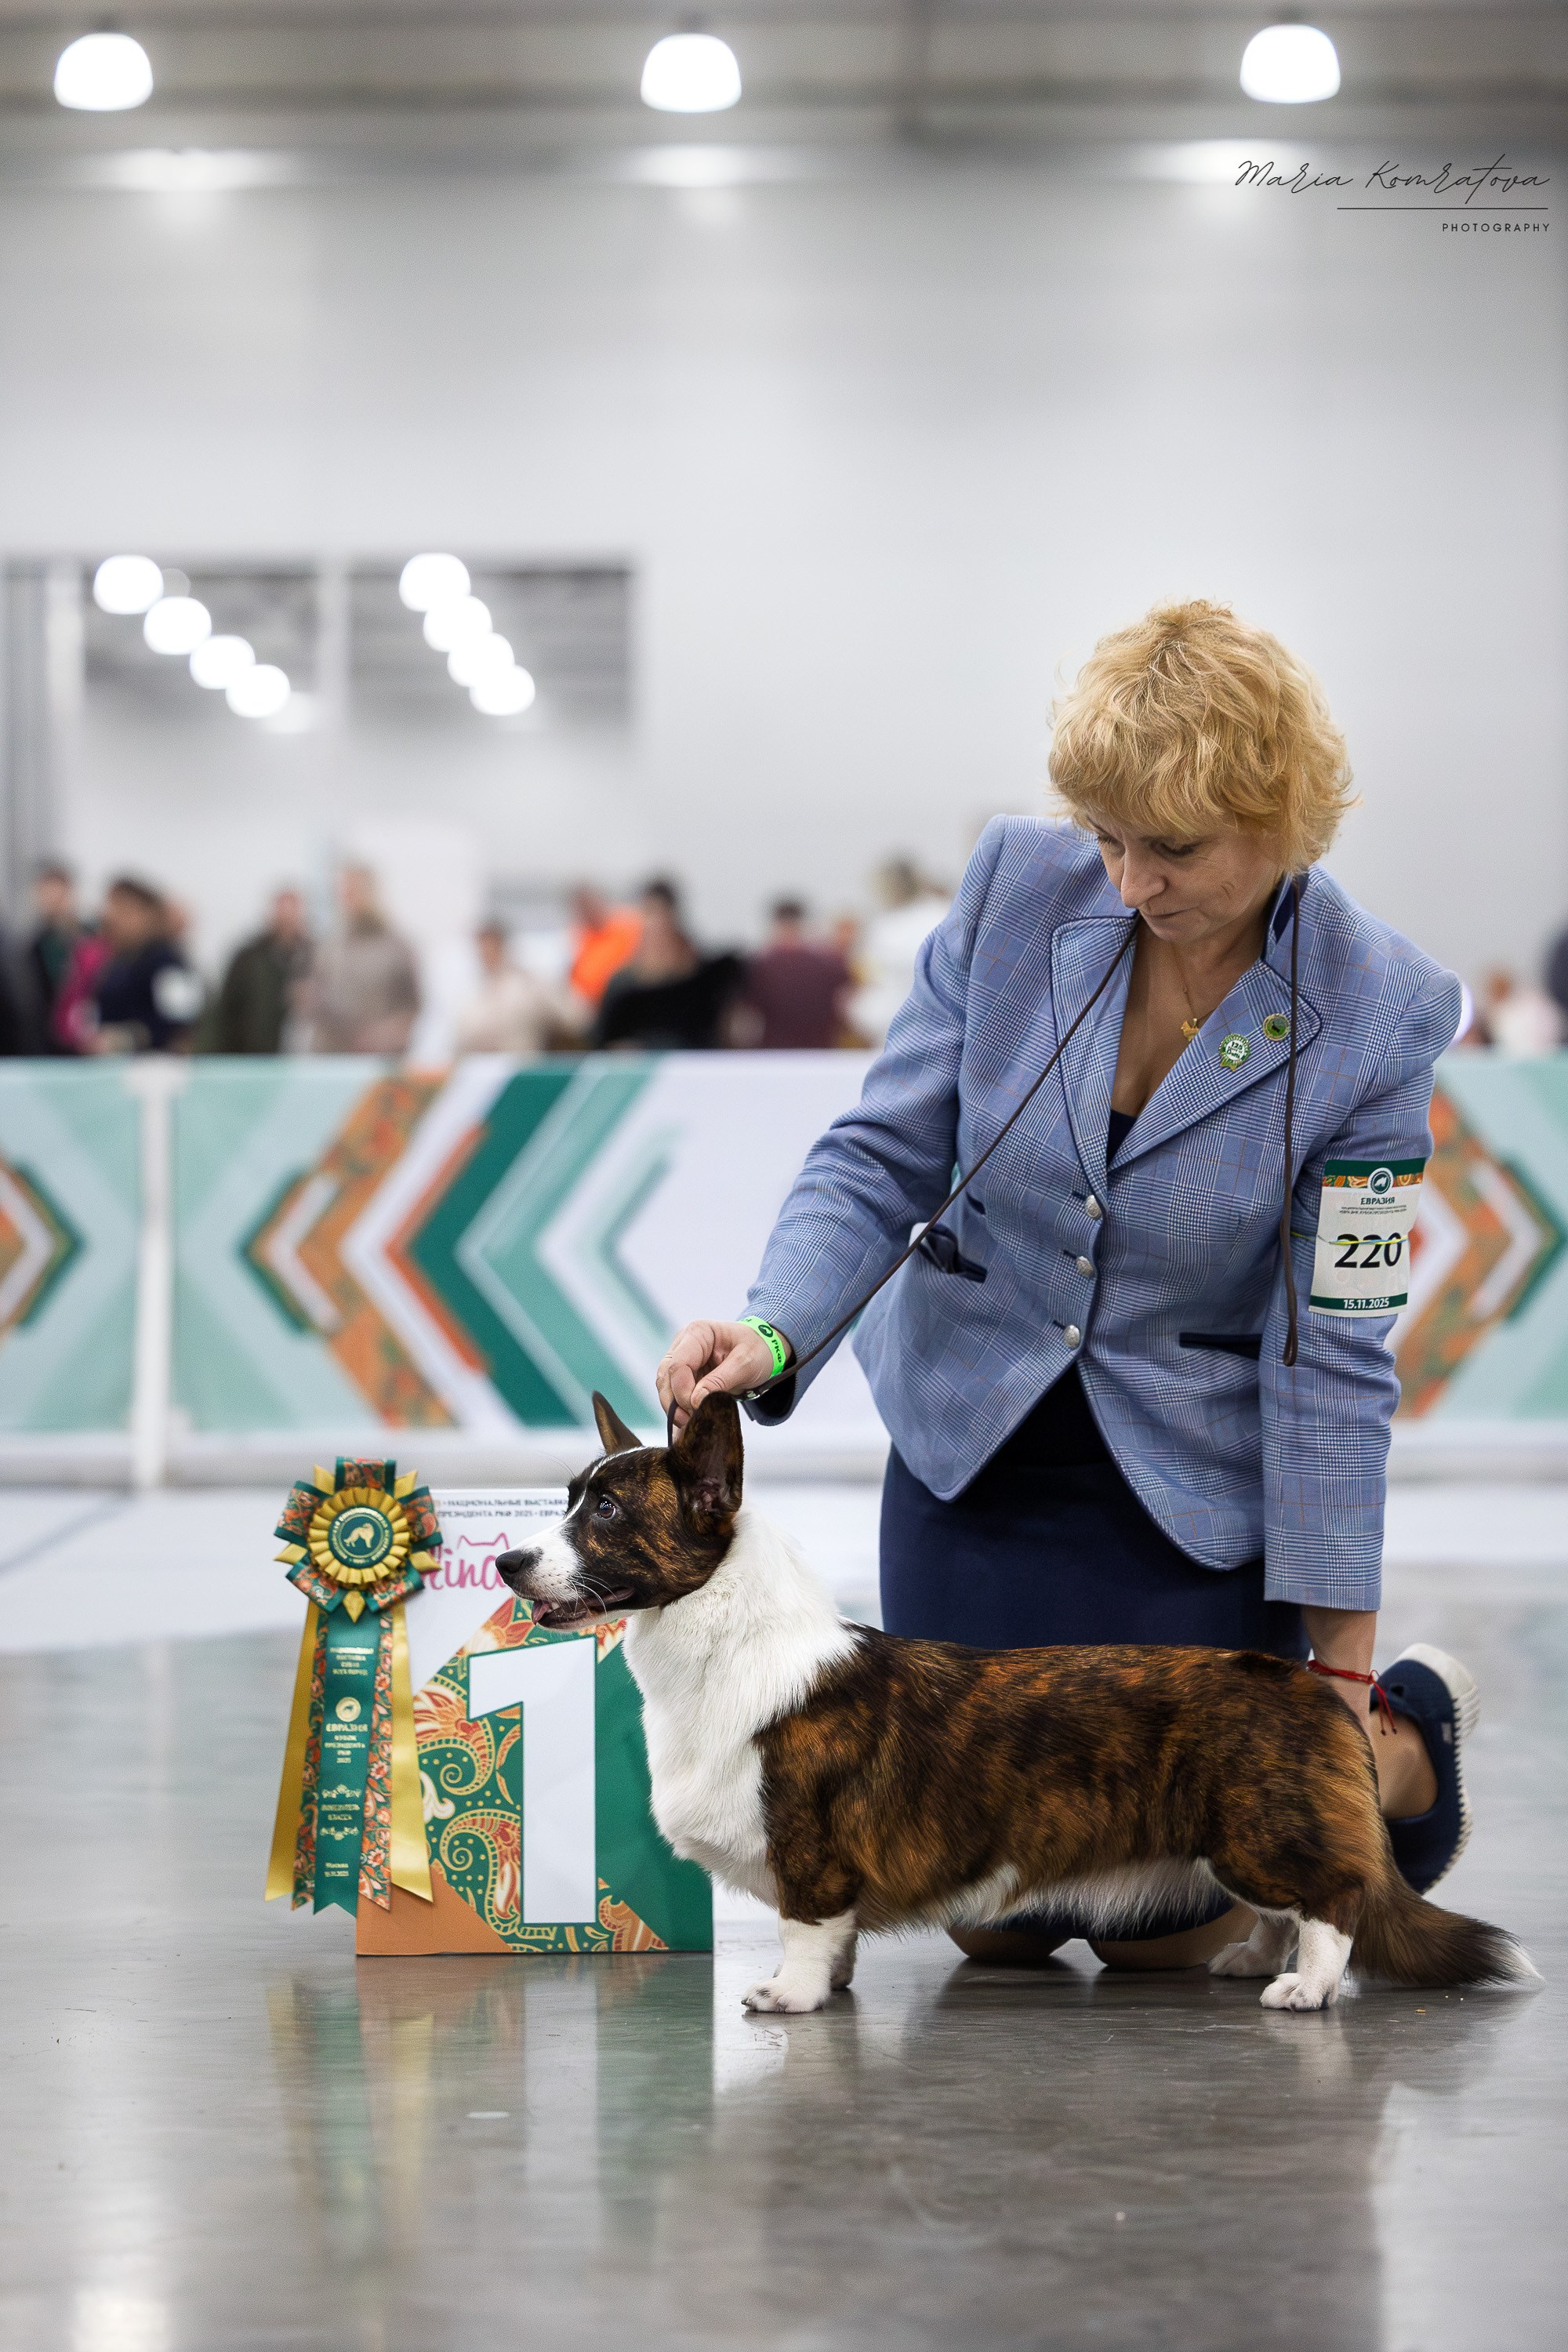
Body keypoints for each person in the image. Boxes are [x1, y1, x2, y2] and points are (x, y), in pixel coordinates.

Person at [658, 599, 1475, 1975]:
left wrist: (1337, 1665)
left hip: (1192, 1485)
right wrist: (774, 1326)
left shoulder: (1383, 1011)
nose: (1130, 882)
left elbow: (1334, 1351)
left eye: (1175, 848)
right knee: (995, 1931)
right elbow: (883, 1152)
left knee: (1161, 1945)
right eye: (1106, 837)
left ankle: (1394, 1745)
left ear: (1281, 818)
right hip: (975, 1440)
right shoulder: (1014, 889)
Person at [593, 880, 742, 1051]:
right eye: (651, 916)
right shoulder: (622, 985)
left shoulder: (704, 980)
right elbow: (602, 1040)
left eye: (662, 916)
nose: (657, 926)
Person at [306, 866, 420, 1054]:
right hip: (332, 1053)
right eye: (343, 892)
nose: (347, 898)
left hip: (379, 1055)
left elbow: (414, 1008)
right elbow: (317, 997)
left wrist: (384, 1035)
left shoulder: (396, 946)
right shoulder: (330, 946)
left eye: (353, 890)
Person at [88, 877, 201, 1053]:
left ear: (147, 915)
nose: (113, 917)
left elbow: (180, 1024)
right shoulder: (117, 961)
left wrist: (130, 1038)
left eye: (124, 911)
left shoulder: (166, 962)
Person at [848, 856, 952, 1044]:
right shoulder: (944, 914)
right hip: (937, 1024)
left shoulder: (885, 929)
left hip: (902, 1024)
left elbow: (871, 978)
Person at [200, 888, 314, 1054]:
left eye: (292, 914)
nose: (287, 920)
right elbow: (226, 1009)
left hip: (299, 1053)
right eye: (282, 914)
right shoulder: (248, 958)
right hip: (251, 1054)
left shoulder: (315, 957)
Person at [453, 920, 583, 1054]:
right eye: (481, 947)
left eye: (490, 945)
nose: (485, 953)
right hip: (486, 1065)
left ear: (502, 945)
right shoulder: (474, 996)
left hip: (527, 1062)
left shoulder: (528, 984)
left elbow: (574, 1018)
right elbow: (461, 1043)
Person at [742, 900, 853, 1050]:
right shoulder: (831, 964)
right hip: (821, 1051)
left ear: (776, 924)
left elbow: (748, 1015)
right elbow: (846, 1006)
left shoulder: (759, 966)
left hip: (773, 1051)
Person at [27, 862, 85, 1050]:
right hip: (49, 1041)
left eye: (58, 895)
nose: (52, 902)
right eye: (47, 895)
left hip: (86, 1037)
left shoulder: (91, 938)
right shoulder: (34, 947)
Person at [568, 887, 642, 1008]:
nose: (588, 912)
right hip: (587, 1001)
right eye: (582, 908)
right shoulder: (582, 937)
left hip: (621, 998)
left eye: (589, 905)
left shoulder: (626, 926)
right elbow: (575, 975)